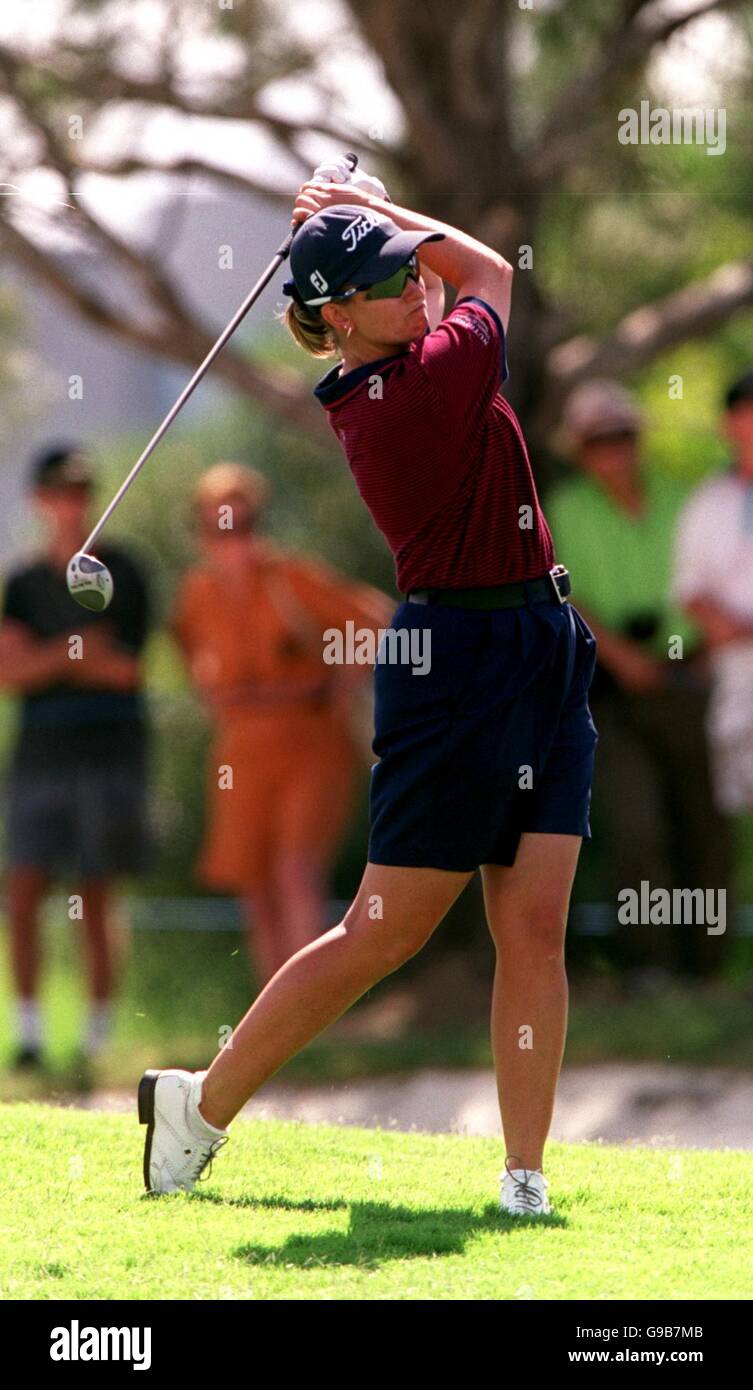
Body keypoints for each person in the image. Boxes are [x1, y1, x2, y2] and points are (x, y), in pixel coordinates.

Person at [138, 165, 599, 1218]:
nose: (418, 282)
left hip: (540, 642)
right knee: (385, 930)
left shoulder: (416, 356)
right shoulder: (416, 389)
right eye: (393, 278)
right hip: (459, 665)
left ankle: (524, 1176)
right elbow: (486, 267)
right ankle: (199, 1105)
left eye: (409, 269)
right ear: (340, 316)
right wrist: (375, 209)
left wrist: (359, 220)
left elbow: (458, 274)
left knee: (534, 927)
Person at [172, 460, 392, 983]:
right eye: (218, 526)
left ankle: (313, 1002)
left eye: (242, 524)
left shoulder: (289, 576)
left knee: (296, 869)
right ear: (200, 530)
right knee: (254, 881)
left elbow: (376, 621)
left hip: (310, 741)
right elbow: (187, 647)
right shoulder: (197, 592)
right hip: (239, 749)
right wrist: (209, 689)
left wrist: (342, 683)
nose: (232, 539)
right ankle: (272, 1010)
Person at [547, 382, 733, 983]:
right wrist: (624, 658)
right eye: (598, 441)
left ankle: (707, 969)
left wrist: (703, 650)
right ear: (579, 450)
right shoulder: (565, 510)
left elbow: (715, 579)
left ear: (638, 438)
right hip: (609, 693)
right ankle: (650, 968)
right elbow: (565, 596)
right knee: (638, 828)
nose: (613, 450)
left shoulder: (686, 498)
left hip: (694, 682)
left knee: (708, 826)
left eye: (622, 435)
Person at [0, 445, 151, 1074]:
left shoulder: (126, 571)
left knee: (96, 893)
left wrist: (46, 659)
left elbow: (125, 670)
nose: (72, 505)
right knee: (23, 890)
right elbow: (9, 672)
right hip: (39, 755)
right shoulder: (22, 582)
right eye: (61, 492)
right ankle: (29, 1034)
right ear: (39, 499)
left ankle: (98, 1035)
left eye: (82, 492)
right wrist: (72, 651)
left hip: (111, 753)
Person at [671, 370, 753, 821]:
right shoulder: (707, 501)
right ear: (729, 423)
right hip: (734, 670)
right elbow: (689, 587)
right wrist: (725, 626)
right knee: (739, 797)